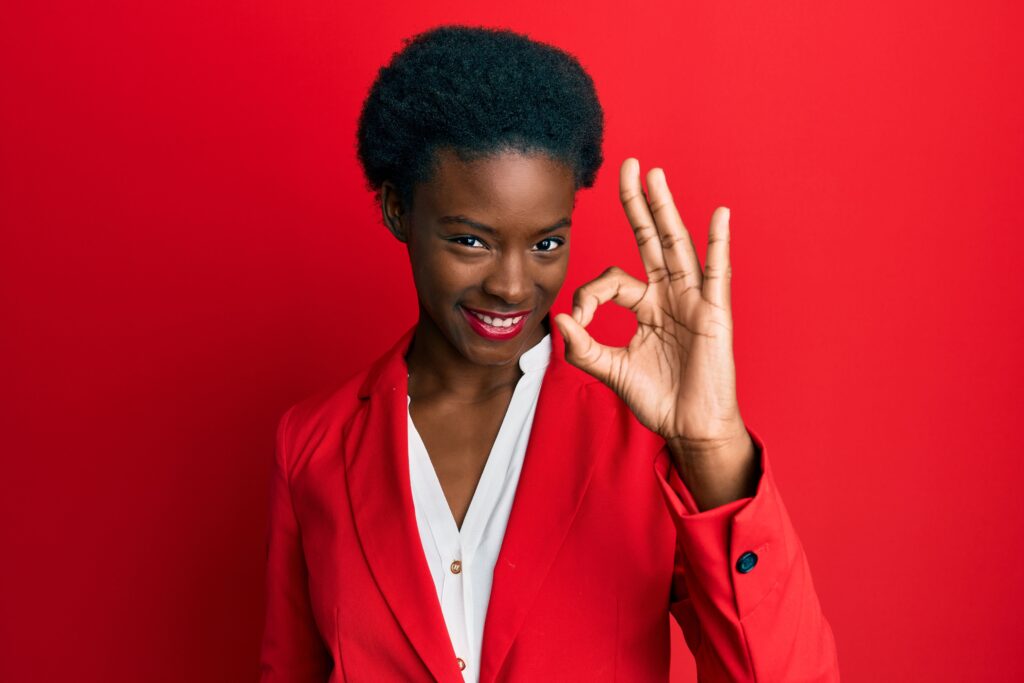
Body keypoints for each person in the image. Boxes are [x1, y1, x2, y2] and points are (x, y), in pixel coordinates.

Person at [259, 24, 840, 682]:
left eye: (545, 244)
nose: (512, 285)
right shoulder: (313, 446)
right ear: (398, 210)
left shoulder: (642, 440)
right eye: (471, 241)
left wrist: (713, 448)